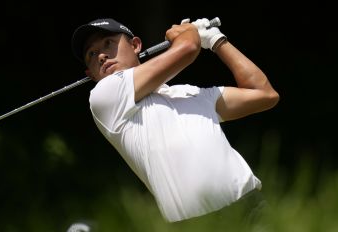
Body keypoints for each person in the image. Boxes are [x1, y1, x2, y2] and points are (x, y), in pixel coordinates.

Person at [70, 17, 279, 223]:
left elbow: (264, 95)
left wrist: (216, 40)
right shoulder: (104, 96)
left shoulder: (188, 93)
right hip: (197, 224)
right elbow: (188, 47)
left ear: (135, 45)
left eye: (108, 43)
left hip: (250, 207)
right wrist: (186, 32)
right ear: (91, 74)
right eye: (92, 53)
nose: (102, 56)